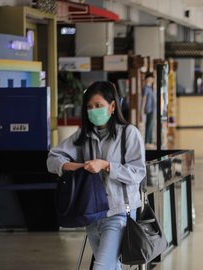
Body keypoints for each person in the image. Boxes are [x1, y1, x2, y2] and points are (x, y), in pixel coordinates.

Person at [47, 81, 146, 270]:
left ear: (112, 106)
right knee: (111, 266)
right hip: (91, 214)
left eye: (99, 105)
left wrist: (107, 165)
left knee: (101, 267)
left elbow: (138, 172)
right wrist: (72, 166)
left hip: (119, 213)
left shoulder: (128, 134)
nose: (94, 110)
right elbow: (53, 157)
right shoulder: (83, 135)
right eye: (89, 107)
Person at [142, 73, 156, 146]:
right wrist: (142, 109)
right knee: (149, 125)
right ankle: (147, 141)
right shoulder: (146, 88)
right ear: (148, 79)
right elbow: (144, 99)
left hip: (152, 109)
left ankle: (150, 141)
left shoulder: (150, 88)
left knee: (151, 124)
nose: (153, 80)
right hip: (149, 109)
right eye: (152, 78)